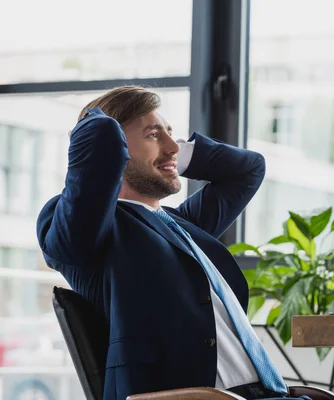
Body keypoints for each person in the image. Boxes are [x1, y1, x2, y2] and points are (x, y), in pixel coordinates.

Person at [36, 86, 311, 400]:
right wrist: (103, 128)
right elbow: (101, 135)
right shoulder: (91, 229)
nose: (172, 145)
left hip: (269, 394)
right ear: (117, 153)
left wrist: (167, 156)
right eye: (153, 135)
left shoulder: (185, 224)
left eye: (171, 133)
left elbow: (248, 169)